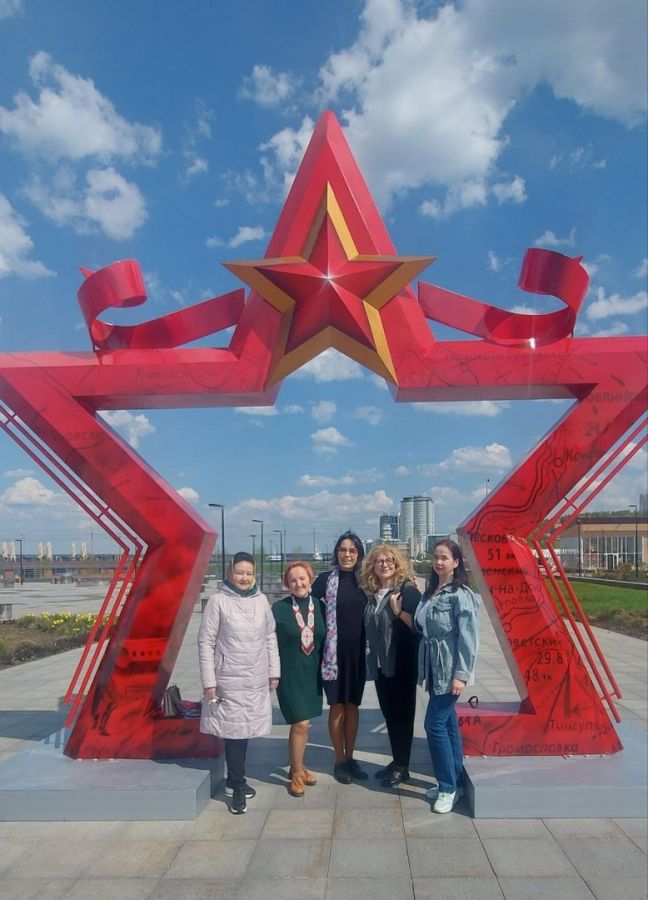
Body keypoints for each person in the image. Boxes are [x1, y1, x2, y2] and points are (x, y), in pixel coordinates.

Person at [198, 551, 280, 815]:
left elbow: (270, 637)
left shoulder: (261, 601)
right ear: (230, 573)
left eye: (249, 573)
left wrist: (274, 672)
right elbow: (206, 642)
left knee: (244, 732)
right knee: (234, 732)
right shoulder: (218, 602)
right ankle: (237, 787)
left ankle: (235, 780)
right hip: (228, 678)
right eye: (239, 572)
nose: (244, 577)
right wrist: (209, 681)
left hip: (255, 677)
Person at [409, 539, 479, 814]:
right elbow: (422, 626)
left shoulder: (461, 595)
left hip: (450, 670)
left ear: (456, 562)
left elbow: (469, 639)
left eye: (444, 558)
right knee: (449, 726)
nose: (438, 562)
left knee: (434, 725)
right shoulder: (431, 591)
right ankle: (456, 783)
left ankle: (447, 787)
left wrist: (461, 675)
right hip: (433, 666)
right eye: (435, 557)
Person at [361, 544, 421, 787]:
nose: (384, 565)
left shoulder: (407, 591)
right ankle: (397, 761)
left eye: (389, 561)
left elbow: (419, 625)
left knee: (403, 716)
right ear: (372, 566)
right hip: (380, 666)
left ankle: (403, 768)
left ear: (397, 564)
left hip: (401, 665)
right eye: (379, 561)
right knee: (389, 714)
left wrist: (398, 612)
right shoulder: (372, 594)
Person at [312, 531, 368, 784]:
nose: (347, 555)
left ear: (359, 554)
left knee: (352, 706)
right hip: (332, 655)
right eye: (342, 550)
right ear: (336, 552)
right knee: (337, 706)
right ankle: (339, 761)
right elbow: (307, 606)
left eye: (352, 550)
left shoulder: (366, 581)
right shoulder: (325, 580)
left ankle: (351, 757)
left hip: (357, 655)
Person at [272, 561, 326, 797]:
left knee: (304, 723)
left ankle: (300, 765)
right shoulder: (279, 609)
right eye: (293, 580)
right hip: (290, 674)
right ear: (287, 584)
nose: (298, 583)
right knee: (300, 723)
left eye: (302, 578)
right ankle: (295, 772)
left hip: (312, 673)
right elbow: (266, 641)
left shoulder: (321, 606)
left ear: (310, 580)